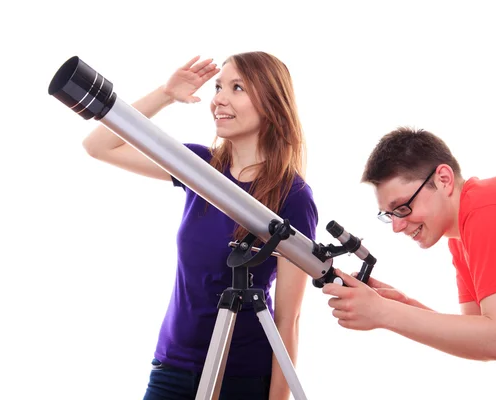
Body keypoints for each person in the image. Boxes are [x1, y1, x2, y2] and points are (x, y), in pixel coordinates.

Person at [82, 52, 319, 400]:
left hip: (241, 376)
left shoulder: (293, 195)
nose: (219, 98)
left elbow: (288, 319)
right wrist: (166, 94)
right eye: (218, 86)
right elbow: (98, 145)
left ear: (271, 101)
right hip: (172, 368)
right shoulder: (200, 168)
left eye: (237, 88)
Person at [322, 127, 496, 399]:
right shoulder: (462, 238)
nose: (397, 226)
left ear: (443, 179)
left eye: (403, 207)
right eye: (389, 215)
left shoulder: (491, 209)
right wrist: (399, 305)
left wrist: (383, 313)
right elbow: (480, 338)